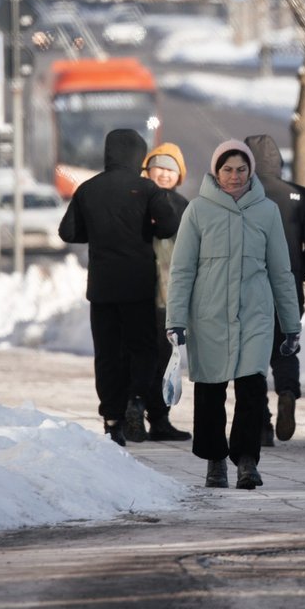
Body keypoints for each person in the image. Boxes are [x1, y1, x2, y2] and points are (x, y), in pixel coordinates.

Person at [165, 140, 301, 490]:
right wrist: (176, 319)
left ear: (250, 171)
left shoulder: (267, 211)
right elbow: (182, 270)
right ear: (216, 171)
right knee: (210, 391)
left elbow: (281, 271)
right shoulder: (198, 210)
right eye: (227, 169)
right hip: (208, 315)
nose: (235, 176)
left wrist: (291, 325)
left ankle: (246, 461)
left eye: (241, 169)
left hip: (255, 315)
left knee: (252, 388)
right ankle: (215, 461)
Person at [59, 129, 180, 447]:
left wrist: (98, 232)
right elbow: (169, 226)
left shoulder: (88, 189)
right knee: (143, 349)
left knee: (107, 354)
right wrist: (145, 228)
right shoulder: (148, 189)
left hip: (102, 287)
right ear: (139, 155)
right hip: (138, 285)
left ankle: (112, 420)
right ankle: (136, 400)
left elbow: (68, 232)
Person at [243, 134, 305, 446]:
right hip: (287, 288)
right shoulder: (300, 195)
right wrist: (298, 272)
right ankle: (288, 392)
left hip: (247, 289)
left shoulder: (238, 196)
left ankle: (261, 424)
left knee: (250, 356)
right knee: (285, 347)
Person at [141, 142, 193, 442]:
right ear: (147, 170)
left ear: (179, 175)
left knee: (160, 356)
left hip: (168, 291)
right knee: (153, 355)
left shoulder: (184, 206)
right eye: (158, 167)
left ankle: (155, 415)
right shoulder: (138, 199)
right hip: (146, 289)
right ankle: (148, 415)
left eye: (170, 169)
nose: (163, 173)